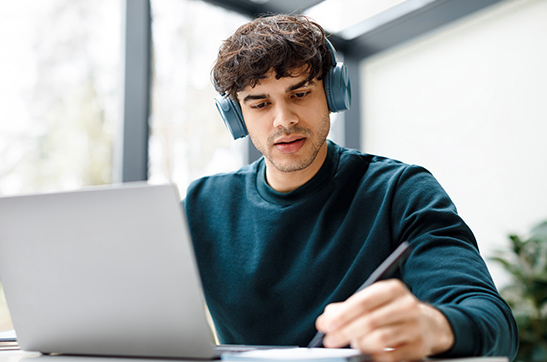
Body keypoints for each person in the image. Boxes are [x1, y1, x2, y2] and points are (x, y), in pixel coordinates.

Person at [183, 14, 518, 362]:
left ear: (333, 93)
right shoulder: (199, 207)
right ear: (236, 116)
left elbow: (494, 322)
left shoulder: (400, 192)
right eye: (260, 104)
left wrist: (434, 326)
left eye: (300, 93)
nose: (284, 120)